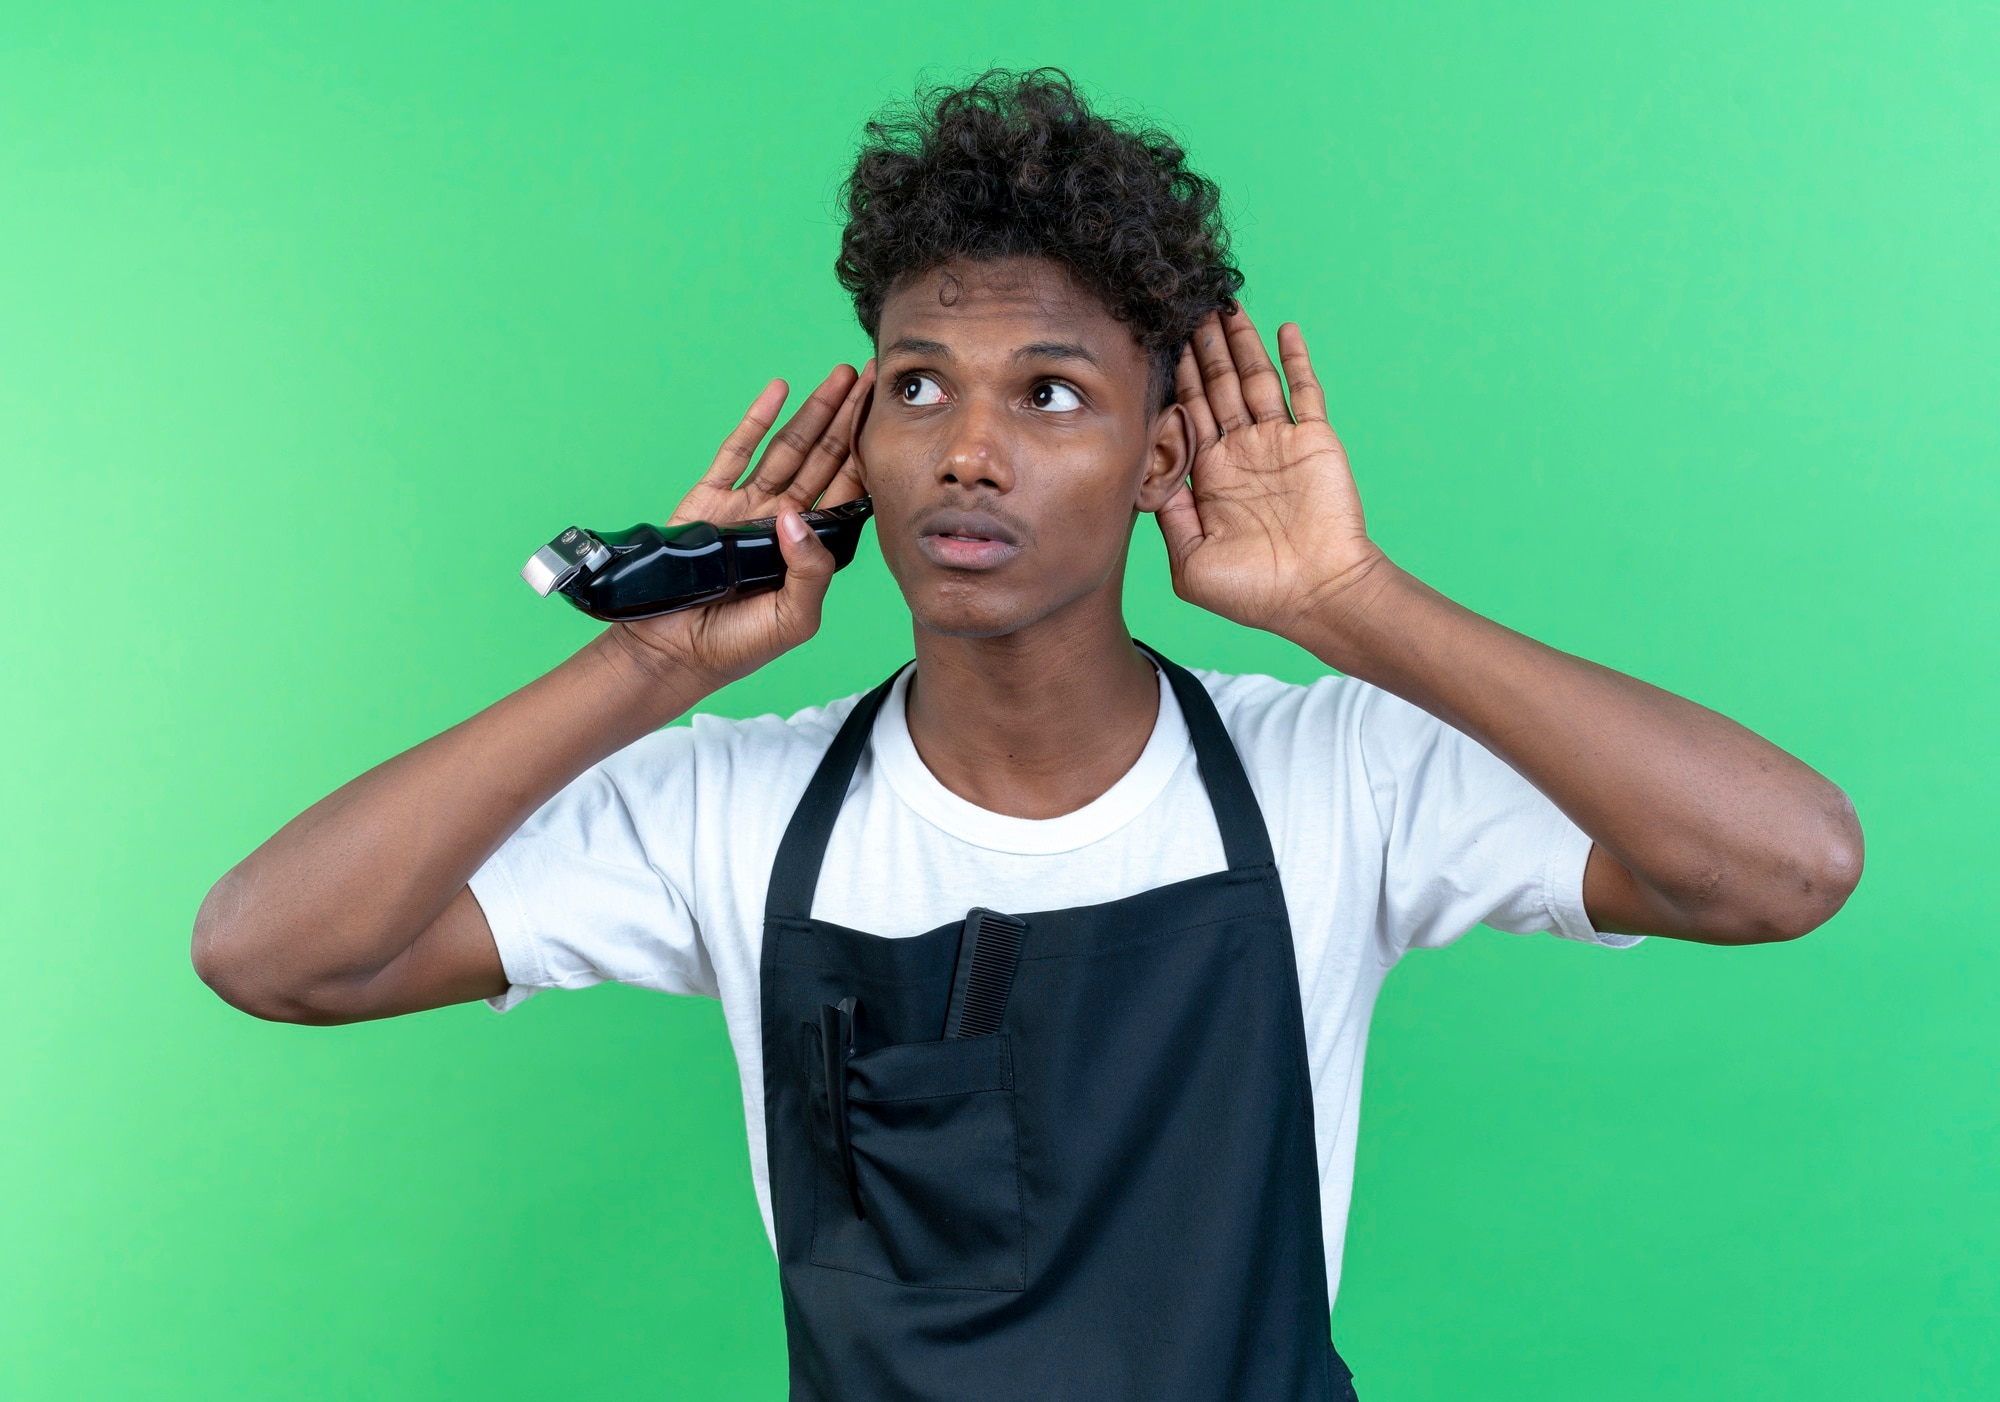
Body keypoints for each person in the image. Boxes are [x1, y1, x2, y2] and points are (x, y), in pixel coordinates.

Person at [192, 69, 1863, 1401]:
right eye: (918, 384)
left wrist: (1348, 598)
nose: (966, 450)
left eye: (1050, 392)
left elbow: (1785, 864)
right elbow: (273, 950)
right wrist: (648, 666)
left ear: (1159, 454)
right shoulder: (737, 811)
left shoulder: (1333, 778)